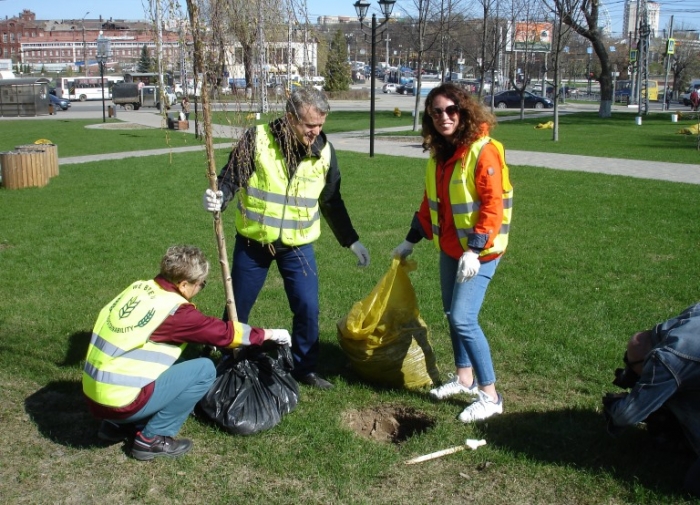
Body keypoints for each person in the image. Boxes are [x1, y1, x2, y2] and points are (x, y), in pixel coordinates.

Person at [202, 87, 370, 390]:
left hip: (297, 246)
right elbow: (232, 175)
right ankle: (226, 357)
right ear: (290, 117)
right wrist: (220, 196)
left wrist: (351, 240)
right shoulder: (258, 139)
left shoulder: (324, 151)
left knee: (307, 307)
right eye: (309, 126)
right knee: (236, 306)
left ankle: (304, 367)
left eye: (320, 125)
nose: (315, 132)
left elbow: (331, 200)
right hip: (254, 244)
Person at [82, 245, 292, 460]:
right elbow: (226, 334)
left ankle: (116, 426)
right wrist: (269, 334)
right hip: (119, 402)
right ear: (184, 284)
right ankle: (152, 439)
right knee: (203, 370)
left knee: (179, 362)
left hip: (95, 394)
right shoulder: (174, 311)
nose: (201, 288)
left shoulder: (139, 289)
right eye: (201, 284)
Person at [392, 82, 513, 423]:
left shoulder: (482, 150)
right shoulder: (441, 154)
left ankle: (490, 396)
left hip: (481, 252)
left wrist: (474, 250)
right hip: (450, 250)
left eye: (450, 110)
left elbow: (492, 205)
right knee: (451, 314)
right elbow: (432, 203)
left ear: (464, 111)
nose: (444, 117)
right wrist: (410, 240)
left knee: (463, 318)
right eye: (436, 112)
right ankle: (464, 378)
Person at [602, 302, 700, 496]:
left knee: (694, 483)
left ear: (645, 359)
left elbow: (626, 416)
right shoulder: (692, 314)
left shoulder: (666, 359)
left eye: (631, 366)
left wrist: (614, 404)